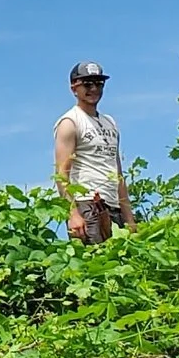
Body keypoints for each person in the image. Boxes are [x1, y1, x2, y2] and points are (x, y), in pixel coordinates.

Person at [53, 60, 133, 243]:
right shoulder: (70, 122)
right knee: (95, 263)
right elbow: (61, 174)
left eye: (99, 83)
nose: (94, 89)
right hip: (86, 204)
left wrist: (129, 219)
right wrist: (73, 213)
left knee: (118, 264)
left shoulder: (110, 123)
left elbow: (118, 174)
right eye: (87, 84)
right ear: (74, 88)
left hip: (113, 206)